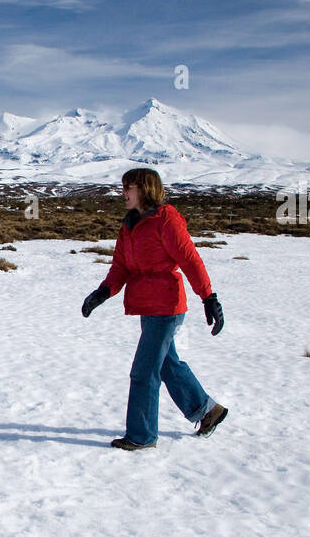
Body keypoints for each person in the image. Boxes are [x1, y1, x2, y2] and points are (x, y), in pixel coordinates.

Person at [81, 168, 227, 450]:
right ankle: (208, 411)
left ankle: (142, 435)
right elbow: (120, 266)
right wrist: (102, 292)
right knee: (167, 365)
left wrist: (208, 297)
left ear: (146, 189)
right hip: (147, 307)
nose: (123, 192)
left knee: (144, 371)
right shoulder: (129, 225)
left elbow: (190, 261)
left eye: (129, 187)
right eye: (123, 186)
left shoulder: (166, 220)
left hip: (167, 308)